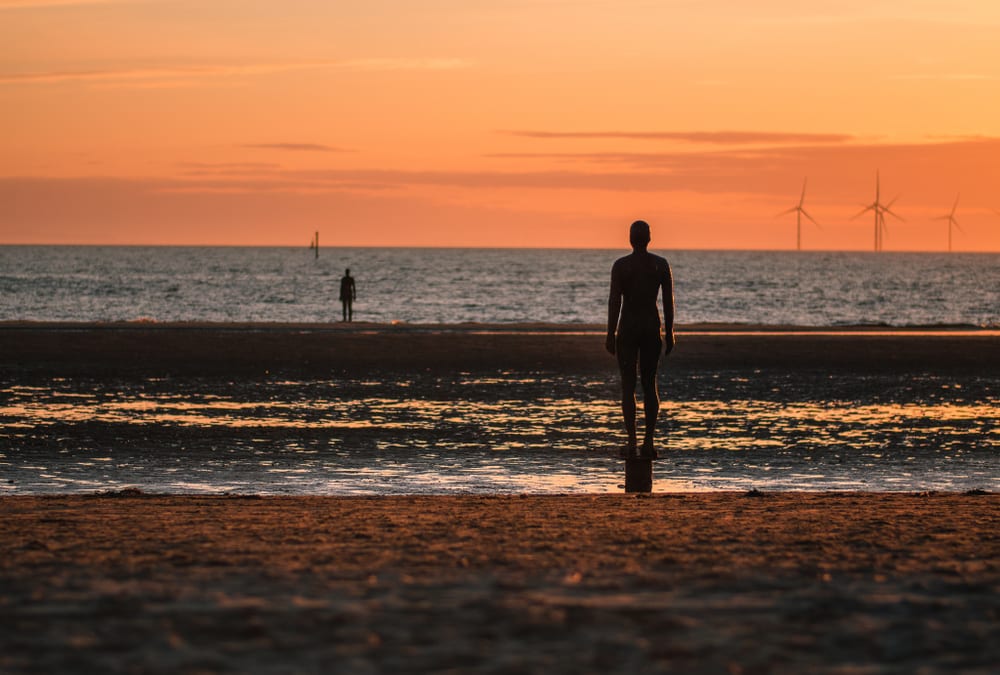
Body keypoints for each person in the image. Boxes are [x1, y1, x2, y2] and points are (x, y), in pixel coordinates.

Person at [605, 220, 675, 459]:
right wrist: (670, 331)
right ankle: (648, 442)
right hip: (650, 327)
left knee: (628, 385)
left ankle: (633, 440)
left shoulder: (621, 266)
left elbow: (615, 302)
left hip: (628, 328)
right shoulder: (660, 265)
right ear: (649, 238)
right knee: (649, 383)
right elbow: (667, 302)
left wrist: (610, 333)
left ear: (630, 239)